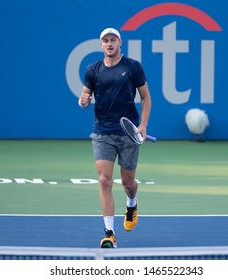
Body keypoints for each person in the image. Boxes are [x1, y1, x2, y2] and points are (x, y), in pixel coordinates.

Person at [78, 27, 152, 248]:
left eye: (113, 40)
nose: (109, 44)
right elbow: (85, 97)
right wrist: (83, 101)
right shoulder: (93, 70)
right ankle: (109, 233)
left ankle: (131, 203)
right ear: (101, 45)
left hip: (129, 133)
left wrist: (143, 125)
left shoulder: (133, 67)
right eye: (105, 41)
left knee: (128, 183)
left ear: (120, 42)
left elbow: (146, 97)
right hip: (102, 132)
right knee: (104, 180)